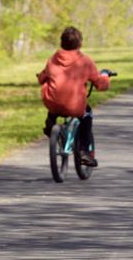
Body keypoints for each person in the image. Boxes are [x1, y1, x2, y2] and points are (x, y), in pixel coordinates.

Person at [38, 26, 111, 167]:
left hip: (52, 103)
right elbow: (100, 84)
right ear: (80, 43)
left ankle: (50, 124)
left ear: (61, 42)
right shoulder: (85, 61)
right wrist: (105, 75)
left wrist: (42, 76)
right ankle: (84, 151)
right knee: (86, 115)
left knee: (55, 102)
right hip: (74, 105)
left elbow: (42, 78)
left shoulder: (52, 59)